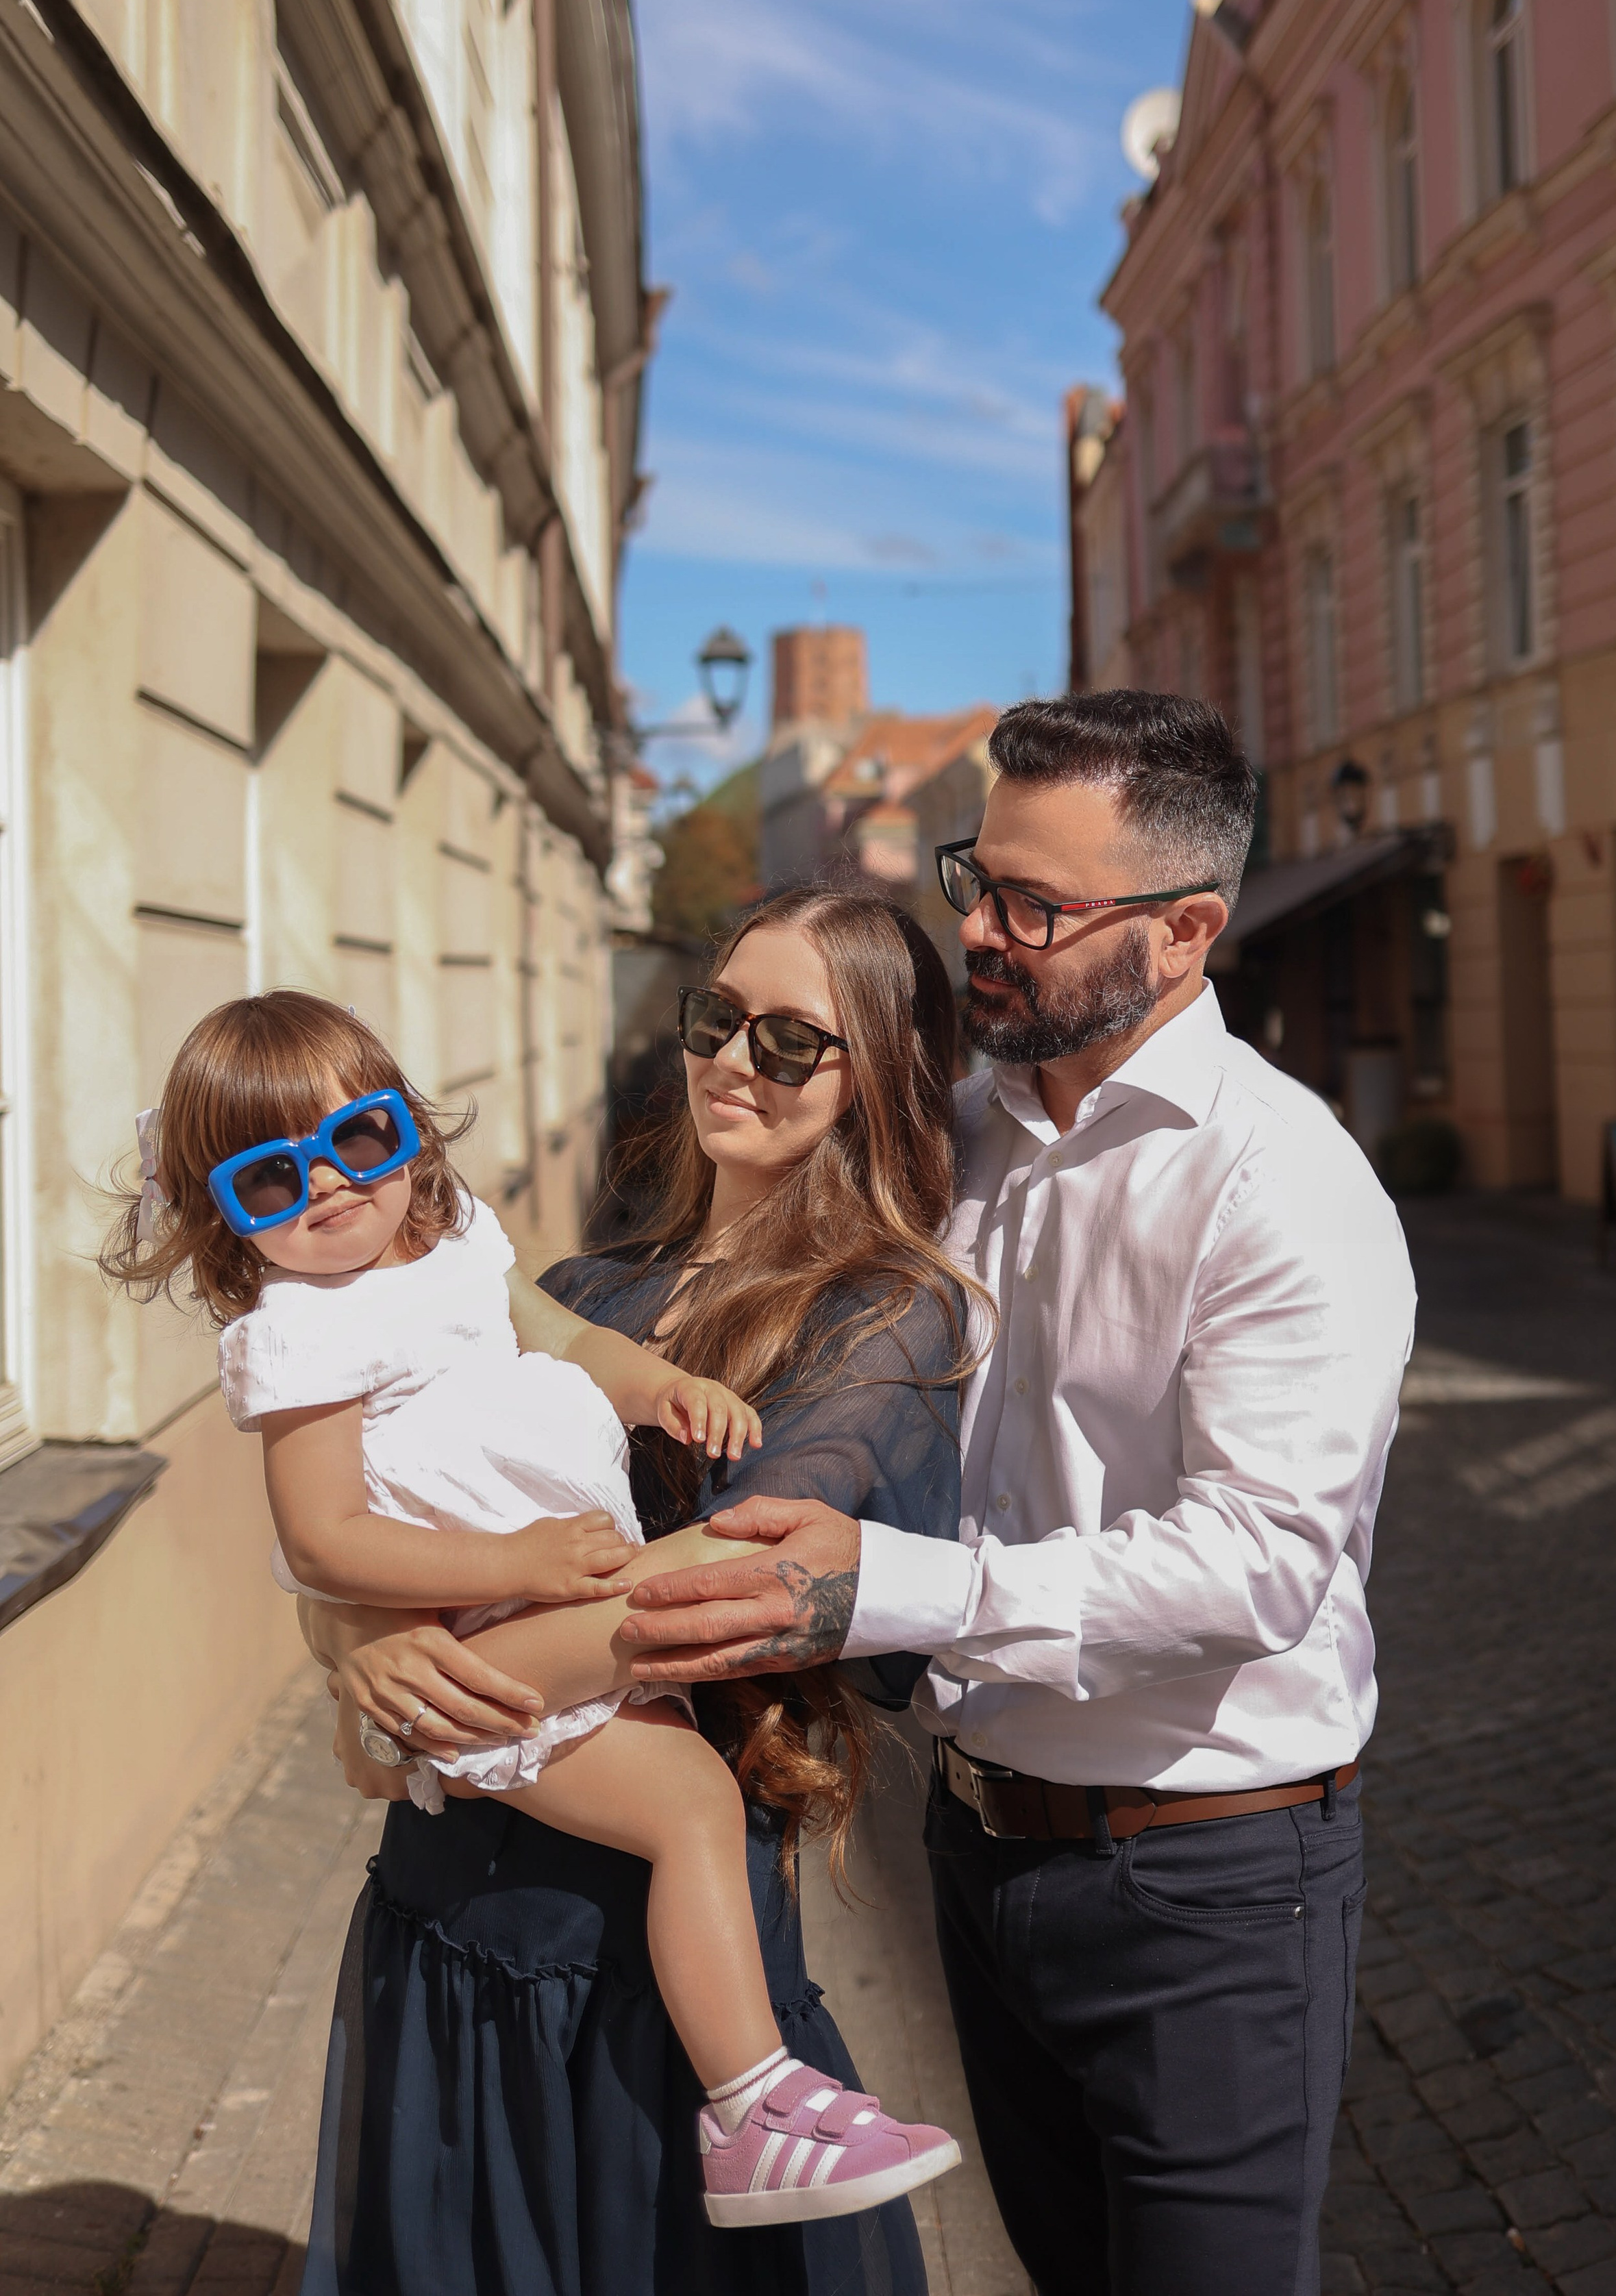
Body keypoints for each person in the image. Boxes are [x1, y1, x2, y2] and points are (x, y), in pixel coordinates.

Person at [614, 691, 1418, 2296]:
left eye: (1032, 907)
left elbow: (1256, 1563)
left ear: (1184, 929)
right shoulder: (951, 1134)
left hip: (1207, 1882)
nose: (976, 930)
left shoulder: (1283, 1179)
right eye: (973, 873)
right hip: (979, 1845)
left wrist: (890, 1584)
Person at [101, 987, 958, 2232]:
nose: (332, 1191)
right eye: (270, 1183)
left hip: (537, 1633)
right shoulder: (298, 1336)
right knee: (686, 1729)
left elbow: (566, 1342)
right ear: (222, 1216)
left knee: (694, 1808)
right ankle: (756, 2107)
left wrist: (662, 1382)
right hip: (488, 1642)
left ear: (409, 1132)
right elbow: (321, 1536)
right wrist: (468, 1586)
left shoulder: (460, 1256)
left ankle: (753, 2104)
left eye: (359, 1142)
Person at [290, 888, 981, 2294]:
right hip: (444, 1915)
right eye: (716, 1019)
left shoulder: (887, 1311)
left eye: (792, 1040)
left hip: (655, 1964)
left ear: (878, 1080)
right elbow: (355, 1502)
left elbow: (721, 1573)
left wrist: (418, 1700)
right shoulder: (572, 1288)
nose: (734, 1058)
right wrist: (344, 1627)